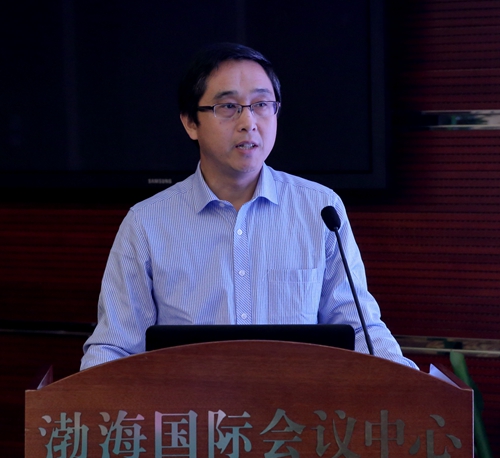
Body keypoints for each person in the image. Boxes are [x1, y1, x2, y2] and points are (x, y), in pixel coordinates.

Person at [81, 42, 417, 370]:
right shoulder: (147, 223)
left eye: (261, 104)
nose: (249, 122)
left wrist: (411, 388)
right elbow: (115, 346)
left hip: (294, 405)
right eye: (228, 107)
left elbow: (361, 330)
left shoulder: (320, 209)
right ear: (190, 122)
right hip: (191, 406)